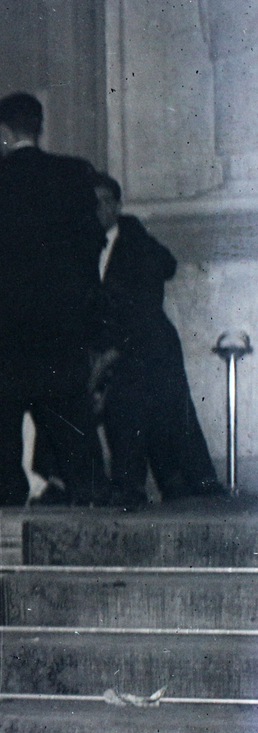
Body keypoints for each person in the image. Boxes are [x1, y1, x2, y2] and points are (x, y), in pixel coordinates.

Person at [0, 93, 108, 507]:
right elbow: (91, 251)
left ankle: (9, 545)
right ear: (39, 128)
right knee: (79, 453)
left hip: (1, 338)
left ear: (3, 133)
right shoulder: (74, 175)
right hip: (60, 335)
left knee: (3, 462)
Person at [91, 173, 224, 506]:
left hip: (149, 344)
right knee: (137, 417)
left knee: (166, 417)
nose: (100, 209)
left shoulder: (133, 237)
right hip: (123, 348)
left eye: (107, 200)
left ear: (118, 205)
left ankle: (173, 485)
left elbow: (167, 266)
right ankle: (140, 485)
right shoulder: (82, 244)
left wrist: (110, 353)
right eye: (94, 202)